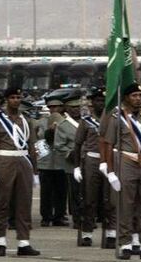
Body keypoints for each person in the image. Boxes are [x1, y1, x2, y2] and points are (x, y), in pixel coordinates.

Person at [103, 82, 141, 260]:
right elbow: (108, 143)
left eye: (140, 95)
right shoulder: (117, 117)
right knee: (126, 205)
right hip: (126, 161)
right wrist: (111, 171)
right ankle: (125, 244)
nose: (138, 99)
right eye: (134, 96)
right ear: (127, 98)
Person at [0, 87, 41, 256]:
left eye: (18, 97)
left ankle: (24, 242)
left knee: (24, 203)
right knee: (2, 202)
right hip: (5, 161)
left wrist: (36, 171)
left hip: (24, 162)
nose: (16, 100)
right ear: (6, 100)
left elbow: (32, 146)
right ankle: (0, 241)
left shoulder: (26, 120)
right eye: (12, 97)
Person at [73, 87, 114, 247]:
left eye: (103, 101)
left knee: (109, 199)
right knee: (89, 199)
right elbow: (77, 144)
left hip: (109, 161)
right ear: (92, 103)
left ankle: (110, 233)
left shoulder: (112, 120)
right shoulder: (86, 121)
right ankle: (87, 233)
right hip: (92, 160)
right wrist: (76, 166)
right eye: (97, 100)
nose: (101, 103)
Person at [54, 91, 83, 230]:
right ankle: (77, 218)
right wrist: (69, 153)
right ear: (67, 109)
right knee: (75, 193)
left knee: (89, 192)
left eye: (78, 107)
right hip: (72, 163)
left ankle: (89, 217)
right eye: (73, 108)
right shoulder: (63, 125)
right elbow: (59, 145)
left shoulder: (86, 122)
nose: (76, 110)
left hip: (88, 161)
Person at [38, 94, 68, 227]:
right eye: (51, 107)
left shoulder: (67, 121)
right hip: (46, 161)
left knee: (61, 191)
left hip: (62, 161)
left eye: (57, 106)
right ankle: (46, 216)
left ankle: (59, 216)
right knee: (46, 192)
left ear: (62, 107)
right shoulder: (42, 121)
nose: (54, 109)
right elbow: (39, 139)